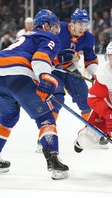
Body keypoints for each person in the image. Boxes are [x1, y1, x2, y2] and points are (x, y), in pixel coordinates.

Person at [0, 9, 69, 180]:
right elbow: (39, 58)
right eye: (53, 26)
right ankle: (53, 160)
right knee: (46, 116)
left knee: (7, 118)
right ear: (45, 25)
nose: (56, 30)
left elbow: (29, 53)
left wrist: (58, 59)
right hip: (18, 76)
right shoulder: (50, 37)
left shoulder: (27, 36)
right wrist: (44, 76)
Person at [35, 8, 100, 152]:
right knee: (56, 100)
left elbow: (90, 60)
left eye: (86, 24)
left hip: (70, 69)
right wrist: (57, 58)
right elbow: (43, 50)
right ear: (72, 22)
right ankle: (46, 138)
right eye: (80, 24)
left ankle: (90, 134)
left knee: (86, 100)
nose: (83, 28)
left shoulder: (88, 37)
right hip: (53, 69)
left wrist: (95, 74)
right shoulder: (59, 28)